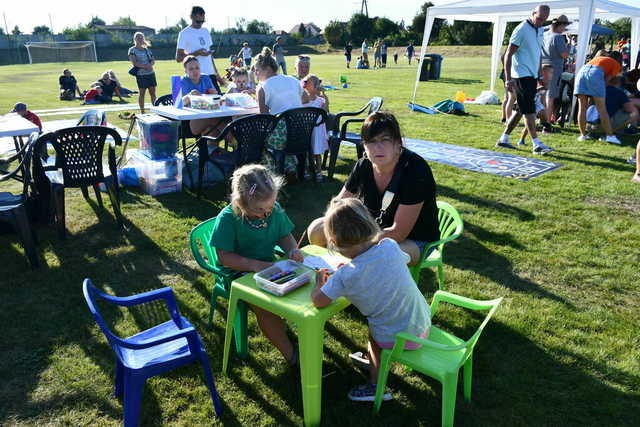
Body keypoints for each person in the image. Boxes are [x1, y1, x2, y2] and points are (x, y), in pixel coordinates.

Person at [311, 197, 431, 401]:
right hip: (422, 325)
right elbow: (388, 265)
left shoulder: (344, 277)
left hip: (398, 340)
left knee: (375, 336)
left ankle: (376, 386)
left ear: (333, 242)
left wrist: (318, 282)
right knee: (378, 326)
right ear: (369, 224)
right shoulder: (390, 246)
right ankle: (372, 363)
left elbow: (318, 301)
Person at [307, 112, 440, 266]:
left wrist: (356, 243)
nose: (378, 147)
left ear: (398, 144)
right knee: (316, 231)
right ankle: (331, 275)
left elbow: (399, 232)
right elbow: (338, 204)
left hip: (415, 240)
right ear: (364, 146)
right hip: (372, 229)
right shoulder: (364, 165)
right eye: (371, 141)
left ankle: (350, 279)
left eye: (385, 140)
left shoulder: (416, 170)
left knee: (376, 255)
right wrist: (334, 226)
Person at [209, 164, 304, 366]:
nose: (267, 213)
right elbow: (223, 257)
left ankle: (286, 329)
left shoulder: (273, 211)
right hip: (236, 275)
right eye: (260, 210)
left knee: (299, 288)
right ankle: (292, 355)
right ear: (241, 203)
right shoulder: (228, 219)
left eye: (270, 206)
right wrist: (253, 265)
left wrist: (292, 250)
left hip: (266, 268)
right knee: (264, 306)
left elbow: (284, 234)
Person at [496, 5, 554, 155]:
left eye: (544, 19)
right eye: (539, 17)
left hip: (532, 76)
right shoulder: (521, 29)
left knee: (522, 109)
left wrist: (540, 75)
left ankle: (503, 139)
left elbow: (538, 53)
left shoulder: (540, 29)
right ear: (533, 13)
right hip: (520, 75)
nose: (541, 21)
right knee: (529, 109)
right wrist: (508, 79)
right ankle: (536, 144)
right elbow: (508, 54)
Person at [256, 47, 303, 176]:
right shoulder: (294, 80)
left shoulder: (263, 87)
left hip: (282, 135)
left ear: (267, 69)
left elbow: (263, 118)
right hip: (302, 132)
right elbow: (304, 100)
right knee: (279, 143)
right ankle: (290, 168)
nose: (256, 74)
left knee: (260, 140)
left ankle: (271, 174)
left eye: (257, 70)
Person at [575, 50, 623, 144]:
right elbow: (606, 81)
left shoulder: (599, 59)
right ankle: (610, 136)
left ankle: (582, 135)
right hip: (595, 74)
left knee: (582, 108)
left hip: (581, 73)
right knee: (602, 109)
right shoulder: (616, 64)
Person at [176, 6, 225, 94]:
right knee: (198, 105)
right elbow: (178, 58)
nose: (200, 24)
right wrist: (197, 53)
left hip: (210, 76)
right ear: (191, 17)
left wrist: (217, 75)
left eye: (202, 21)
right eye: (198, 21)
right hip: (196, 77)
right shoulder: (184, 33)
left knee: (218, 102)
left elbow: (210, 57)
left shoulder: (205, 31)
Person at [180, 55, 226, 137]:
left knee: (211, 130)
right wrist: (190, 96)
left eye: (197, 68)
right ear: (185, 71)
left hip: (208, 114)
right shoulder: (180, 80)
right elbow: (177, 104)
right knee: (215, 119)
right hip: (189, 121)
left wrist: (214, 93)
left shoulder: (205, 77)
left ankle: (212, 149)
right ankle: (233, 140)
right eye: (191, 69)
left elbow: (216, 97)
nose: (195, 71)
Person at [541, 15, 570, 123]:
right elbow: (564, 55)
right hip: (554, 69)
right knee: (550, 96)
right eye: (565, 26)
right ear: (560, 25)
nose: (564, 29)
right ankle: (547, 122)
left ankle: (542, 119)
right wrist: (569, 44)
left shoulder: (544, 35)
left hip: (543, 67)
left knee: (542, 95)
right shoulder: (558, 37)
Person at [301, 74, 329, 182]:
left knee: (317, 152)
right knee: (305, 151)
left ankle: (318, 170)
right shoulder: (303, 98)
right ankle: (306, 169)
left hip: (317, 129)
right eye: (306, 81)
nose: (306, 83)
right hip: (305, 129)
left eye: (309, 82)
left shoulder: (320, 100)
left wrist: (325, 97)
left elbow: (325, 112)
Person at [128, 32, 157, 113]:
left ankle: (156, 110)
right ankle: (142, 111)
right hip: (141, 75)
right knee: (142, 93)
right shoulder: (132, 50)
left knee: (153, 94)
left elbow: (153, 60)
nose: (140, 39)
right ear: (134, 39)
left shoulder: (147, 49)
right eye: (138, 37)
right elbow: (134, 63)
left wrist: (150, 64)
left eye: (141, 37)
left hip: (150, 74)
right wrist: (145, 66)